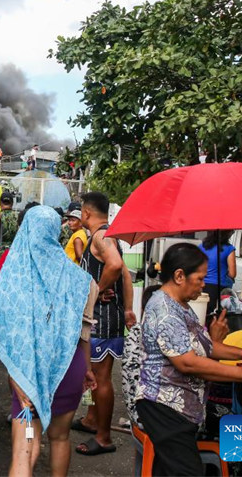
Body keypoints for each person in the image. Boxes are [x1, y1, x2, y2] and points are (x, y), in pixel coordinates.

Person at [136, 243, 242, 476]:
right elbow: (188, 362)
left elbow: (206, 347)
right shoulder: (165, 311)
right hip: (165, 406)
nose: (204, 284)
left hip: (183, 406)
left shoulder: (180, 306)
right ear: (179, 276)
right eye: (200, 278)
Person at [0, 206, 98, 477]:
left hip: (26, 372)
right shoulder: (81, 279)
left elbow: (3, 328)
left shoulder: (13, 275)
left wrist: (15, 376)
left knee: (25, 446)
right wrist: (87, 369)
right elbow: (83, 332)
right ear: (57, 231)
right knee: (60, 438)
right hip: (69, 368)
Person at [74, 191, 135, 456]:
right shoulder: (106, 235)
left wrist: (97, 290)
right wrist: (129, 307)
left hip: (104, 319)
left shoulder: (100, 236)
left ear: (86, 213)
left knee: (100, 378)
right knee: (90, 374)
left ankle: (104, 436)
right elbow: (126, 276)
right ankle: (90, 420)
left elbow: (116, 265)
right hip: (102, 317)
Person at [198, 230, 236, 314]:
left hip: (201, 285)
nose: (232, 233)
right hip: (220, 287)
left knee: (202, 312)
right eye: (231, 231)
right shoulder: (229, 249)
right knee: (215, 315)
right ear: (226, 234)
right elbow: (232, 274)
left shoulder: (201, 247)